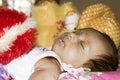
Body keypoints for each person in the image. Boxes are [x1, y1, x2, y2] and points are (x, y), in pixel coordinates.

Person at [4, 28, 118, 80]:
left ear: (85, 68)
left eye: (82, 44)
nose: (72, 36)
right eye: (76, 32)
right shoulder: (48, 52)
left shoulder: (51, 66)